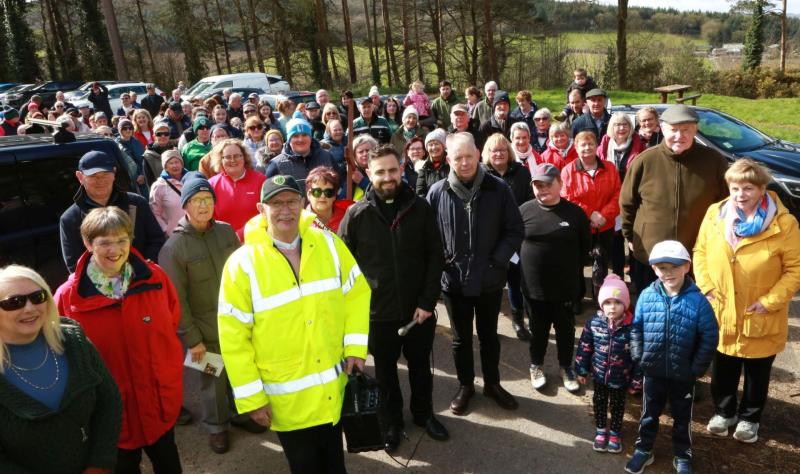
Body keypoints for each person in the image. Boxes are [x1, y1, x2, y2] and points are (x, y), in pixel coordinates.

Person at [218, 174, 370, 473]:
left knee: (335, 466)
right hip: (287, 403)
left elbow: (356, 293)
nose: (284, 210)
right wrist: (251, 399)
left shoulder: (328, 243)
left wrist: (355, 347)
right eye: (276, 203)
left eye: (290, 201)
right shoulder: (241, 264)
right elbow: (233, 337)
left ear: (303, 204)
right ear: (262, 209)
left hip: (331, 392)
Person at [55, 207, 184, 474]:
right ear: (88, 244)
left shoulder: (155, 278)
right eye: (104, 242)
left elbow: (171, 321)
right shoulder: (68, 297)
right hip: (111, 418)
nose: (115, 249)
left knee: (169, 465)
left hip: (158, 402)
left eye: (122, 240)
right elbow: (60, 354)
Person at [339, 145, 448, 452]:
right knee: (385, 374)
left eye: (392, 170)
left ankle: (424, 414)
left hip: (418, 312)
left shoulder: (421, 207)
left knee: (420, 369)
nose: (387, 177)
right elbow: (345, 268)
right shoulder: (356, 214)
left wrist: (428, 302)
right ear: (369, 174)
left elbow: (434, 255)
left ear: (401, 169)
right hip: (377, 314)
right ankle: (392, 422)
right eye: (380, 172)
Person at [693, 159, 800, 444]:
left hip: (761, 311)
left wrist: (770, 301)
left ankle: (750, 418)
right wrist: (706, 287)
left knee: (757, 372)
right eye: (735, 187)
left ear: (762, 188)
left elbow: (795, 269)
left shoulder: (784, 224)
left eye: (748, 188)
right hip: (721, 307)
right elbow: (700, 252)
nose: (741, 194)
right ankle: (723, 412)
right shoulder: (715, 213)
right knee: (723, 366)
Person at [158, 178, 264, 455]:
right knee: (211, 382)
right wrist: (192, 340)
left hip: (236, 324)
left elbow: (245, 274)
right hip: (202, 332)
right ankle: (217, 427)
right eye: (196, 201)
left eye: (208, 200)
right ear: (186, 207)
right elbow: (176, 302)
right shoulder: (174, 248)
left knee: (239, 373)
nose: (203, 205)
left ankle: (240, 414)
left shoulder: (227, 232)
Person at [427, 132, 523, 415]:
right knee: (460, 339)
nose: (465, 162)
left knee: (489, 336)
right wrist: (442, 263)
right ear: (448, 159)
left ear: (478, 154)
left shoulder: (499, 189)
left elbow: (515, 229)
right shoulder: (437, 193)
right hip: (454, 282)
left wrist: (497, 261)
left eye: (469, 156)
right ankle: (465, 385)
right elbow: (429, 237)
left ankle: (492, 384)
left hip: (490, 280)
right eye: (458, 158)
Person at [0, 265, 122, 473]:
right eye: (15, 302)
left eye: (38, 297)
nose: (29, 308)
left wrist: (99, 464)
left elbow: (109, 401)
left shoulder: (74, 341)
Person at [626, 240, 718, 474]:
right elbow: (636, 328)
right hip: (653, 371)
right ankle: (644, 449)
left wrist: (696, 368)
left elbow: (709, 336)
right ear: (654, 269)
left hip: (683, 374)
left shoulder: (698, 301)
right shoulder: (647, 296)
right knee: (648, 414)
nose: (668, 273)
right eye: (662, 268)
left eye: (674, 267)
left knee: (682, 417)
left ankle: (682, 453)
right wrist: (639, 355)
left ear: (687, 266)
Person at [620, 104, 729, 293]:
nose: (680, 136)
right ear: (661, 128)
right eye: (674, 130)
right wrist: (630, 236)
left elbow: (726, 205)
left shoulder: (714, 161)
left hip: (697, 255)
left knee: (695, 309)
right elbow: (627, 203)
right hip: (650, 255)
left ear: (695, 129)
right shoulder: (645, 161)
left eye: (686, 130)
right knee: (652, 308)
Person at [519, 163, 590, 392]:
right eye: (538, 185)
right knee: (538, 330)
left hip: (565, 287)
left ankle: (565, 366)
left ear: (560, 183)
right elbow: (512, 243)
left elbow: (584, 249)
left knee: (565, 329)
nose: (543, 189)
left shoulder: (576, 213)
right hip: (534, 287)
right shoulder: (524, 211)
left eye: (548, 184)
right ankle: (536, 365)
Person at [60, 150, 165, 273]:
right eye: (93, 176)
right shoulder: (70, 219)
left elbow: (156, 239)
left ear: (114, 173)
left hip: (143, 280)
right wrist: (111, 282)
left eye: (105, 174)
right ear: (80, 177)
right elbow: (75, 265)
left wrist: (141, 269)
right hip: (101, 290)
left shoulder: (137, 203)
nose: (100, 180)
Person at [575, 274, 634, 454]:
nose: (612, 307)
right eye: (607, 302)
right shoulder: (594, 323)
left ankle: (615, 433)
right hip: (599, 375)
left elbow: (638, 357)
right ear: (601, 304)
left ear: (625, 304)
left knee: (617, 405)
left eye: (617, 302)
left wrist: (636, 380)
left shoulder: (632, 328)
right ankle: (601, 430)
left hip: (620, 377)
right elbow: (584, 348)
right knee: (599, 402)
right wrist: (582, 370)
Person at [482, 133, 533, 340]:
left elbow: (530, 203)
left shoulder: (521, 173)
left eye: (503, 149)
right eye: (494, 150)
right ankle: (489, 323)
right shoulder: (481, 174)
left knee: (516, 279)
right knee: (491, 283)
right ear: (488, 153)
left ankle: (519, 320)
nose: (499, 154)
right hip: (489, 238)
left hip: (516, 235)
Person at [560, 130, 621, 298]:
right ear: (576, 148)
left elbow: (617, 194)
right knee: (576, 263)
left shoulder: (609, 168)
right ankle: (576, 297)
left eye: (591, 144)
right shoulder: (568, 171)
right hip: (579, 227)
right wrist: (590, 214)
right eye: (583, 144)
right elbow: (567, 197)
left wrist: (603, 215)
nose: (587, 147)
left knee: (601, 263)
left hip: (605, 225)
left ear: (597, 146)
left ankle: (599, 297)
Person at [598, 112, 645, 278]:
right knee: (616, 240)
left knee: (633, 238)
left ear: (630, 127)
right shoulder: (604, 146)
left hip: (633, 199)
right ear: (612, 127)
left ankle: (635, 275)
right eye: (617, 124)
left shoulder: (639, 146)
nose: (621, 128)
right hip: (611, 198)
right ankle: (617, 276)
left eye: (625, 124)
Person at [208, 138, 266, 241]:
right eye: (227, 157)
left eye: (237, 156)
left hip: (257, 240)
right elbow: (209, 218)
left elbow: (266, 214)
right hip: (223, 243)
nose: (233, 160)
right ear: (220, 160)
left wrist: (240, 235)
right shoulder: (212, 184)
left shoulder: (260, 180)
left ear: (244, 157)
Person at [265, 118, 335, 184]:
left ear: (310, 138)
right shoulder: (276, 165)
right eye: (295, 136)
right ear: (289, 140)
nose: (300, 140)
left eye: (304, 135)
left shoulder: (327, 157)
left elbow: (338, 186)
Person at [149, 149, 187, 236]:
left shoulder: (191, 179)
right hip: (174, 235)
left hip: (195, 231)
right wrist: (166, 230)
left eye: (177, 162)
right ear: (165, 167)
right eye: (170, 163)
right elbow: (154, 213)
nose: (175, 165)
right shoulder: (158, 186)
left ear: (182, 164)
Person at [305, 166, 351, 233]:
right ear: (309, 194)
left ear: (334, 196)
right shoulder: (299, 221)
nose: (323, 196)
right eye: (317, 192)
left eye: (328, 192)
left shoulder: (347, 215)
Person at [116, 118, 148, 197]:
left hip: (141, 179)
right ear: (120, 130)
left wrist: (142, 174)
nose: (128, 130)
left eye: (130, 128)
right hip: (127, 182)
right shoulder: (116, 145)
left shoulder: (136, 142)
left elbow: (143, 160)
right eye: (124, 128)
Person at [415, 128, 449, 197]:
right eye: (430, 145)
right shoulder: (423, 168)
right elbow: (420, 193)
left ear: (443, 146)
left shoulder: (451, 163)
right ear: (427, 148)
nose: (433, 147)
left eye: (436, 144)